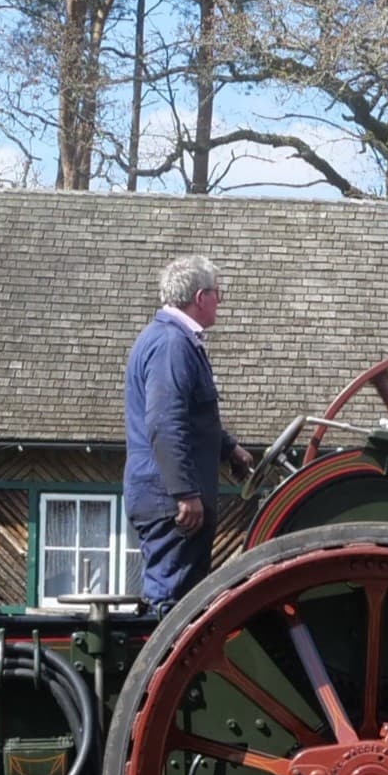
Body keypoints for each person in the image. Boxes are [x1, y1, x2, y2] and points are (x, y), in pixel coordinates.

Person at [125, 255, 252, 614]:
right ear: (200, 296)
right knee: (172, 608)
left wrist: (229, 448)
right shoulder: (171, 344)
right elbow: (165, 422)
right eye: (217, 294)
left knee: (186, 609)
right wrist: (184, 493)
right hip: (171, 503)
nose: (220, 302)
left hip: (167, 496)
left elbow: (191, 415)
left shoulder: (174, 340)